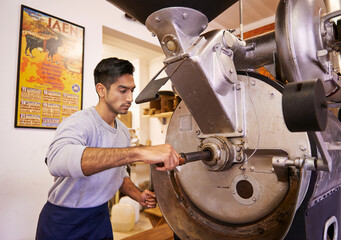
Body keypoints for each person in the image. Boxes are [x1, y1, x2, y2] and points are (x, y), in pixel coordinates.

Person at [35, 57, 180, 240]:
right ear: (101, 90)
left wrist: (138, 195)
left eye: (132, 90)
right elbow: (57, 161)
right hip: (66, 220)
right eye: (122, 90)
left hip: (100, 219)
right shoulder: (80, 122)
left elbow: (118, 174)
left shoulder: (122, 132)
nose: (130, 98)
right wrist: (139, 152)